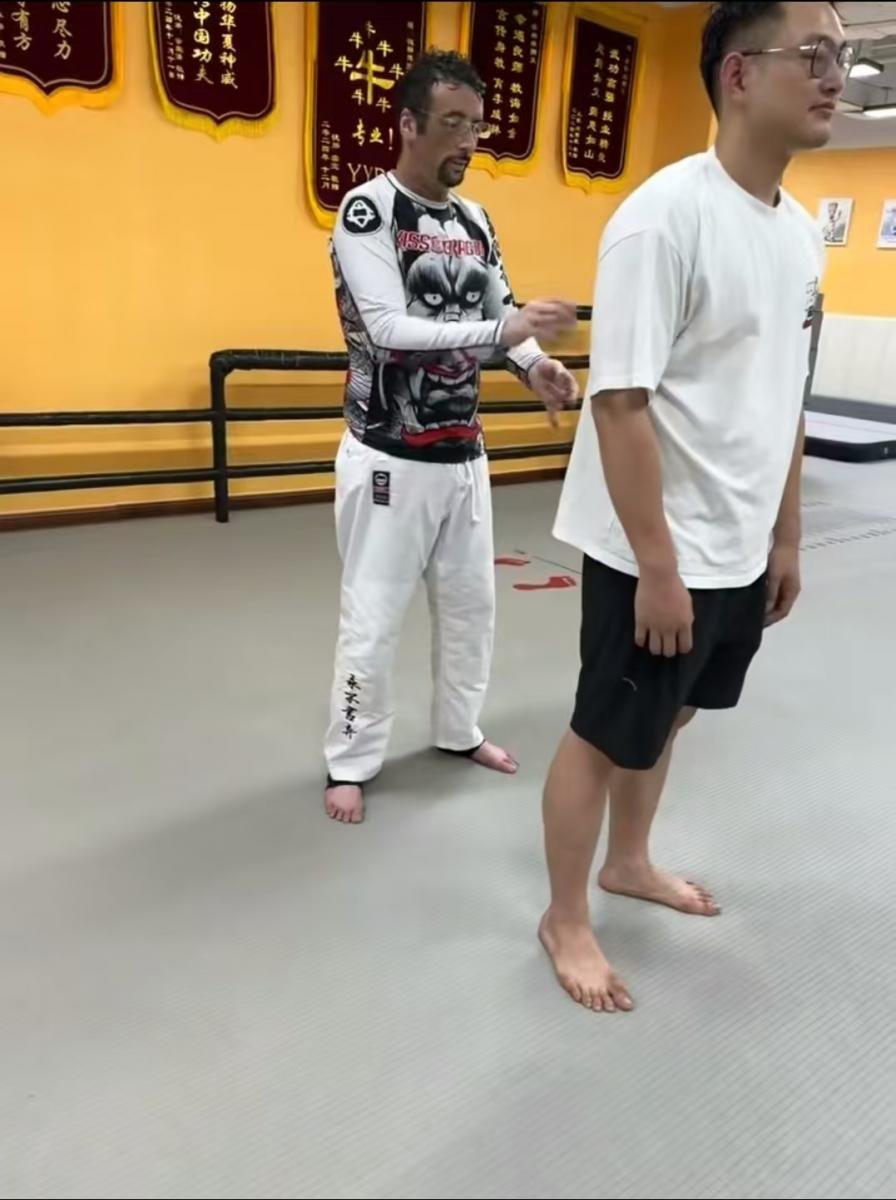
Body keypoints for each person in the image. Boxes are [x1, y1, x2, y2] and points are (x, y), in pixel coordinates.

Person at [541, 0, 850, 1011]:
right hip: (653, 547)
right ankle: (564, 918)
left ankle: (629, 861)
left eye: (842, 55)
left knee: (671, 715)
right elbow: (619, 403)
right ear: (737, 74)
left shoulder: (799, 235)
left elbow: (786, 395)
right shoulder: (662, 217)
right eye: (813, 52)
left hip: (738, 543)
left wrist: (786, 535)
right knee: (602, 731)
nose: (834, 74)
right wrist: (659, 568)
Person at [324, 50, 579, 824]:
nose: (468, 141)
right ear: (408, 124)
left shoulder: (475, 220)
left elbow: (503, 312)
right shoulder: (368, 211)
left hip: (463, 453)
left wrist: (536, 368)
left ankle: (458, 730)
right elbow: (387, 329)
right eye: (453, 124)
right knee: (373, 615)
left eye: (477, 125)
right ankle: (350, 759)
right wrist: (507, 331)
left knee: (472, 607)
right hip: (388, 455)